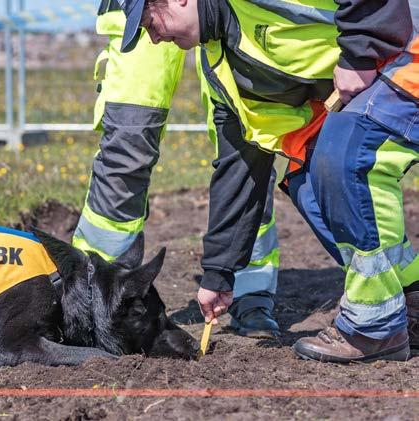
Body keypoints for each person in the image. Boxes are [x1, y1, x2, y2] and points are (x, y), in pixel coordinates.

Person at [119, 0, 418, 362]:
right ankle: (411, 301)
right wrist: (218, 273)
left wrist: (360, 50)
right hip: (377, 68)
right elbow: (240, 167)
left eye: (150, 23)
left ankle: (373, 327)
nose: (154, 39)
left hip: (404, 46)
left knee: (345, 159)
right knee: (310, 185)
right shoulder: (221, 68)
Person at [71, 0, 281, 338]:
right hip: (139, 11)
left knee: (249, 141)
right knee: (126, 149)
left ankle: (251, 288)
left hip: (227, 9)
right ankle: (89, 288)